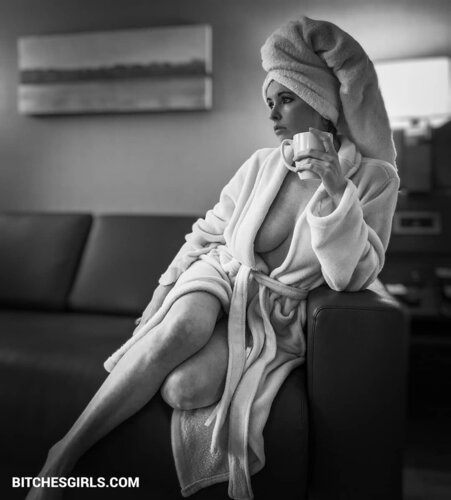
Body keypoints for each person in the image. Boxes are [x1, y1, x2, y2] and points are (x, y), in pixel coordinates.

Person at [27, 15, 400, 500]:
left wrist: (335, 188)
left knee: (185, 389)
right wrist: (162, 293)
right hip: (221, 274)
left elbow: (351, 277)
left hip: (269, 312)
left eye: (285, 100)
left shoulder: (373, 179)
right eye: (269, 103)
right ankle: (62, 456)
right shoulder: (261, 164)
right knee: (182, 328)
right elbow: (207, 234)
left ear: (321, 103)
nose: (273, 115)